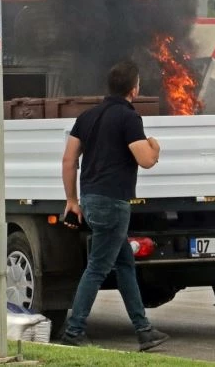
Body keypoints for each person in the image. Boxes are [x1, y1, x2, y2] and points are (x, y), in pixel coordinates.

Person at [59, 59, 169, 352]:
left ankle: (144, 330)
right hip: (113, 202)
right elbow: (146, 160)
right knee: (97, 268)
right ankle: (74, 331)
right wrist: (155, 146)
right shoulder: (128, 118)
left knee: (124, 264)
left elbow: (69, 160)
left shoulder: (87, 117)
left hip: (91, 199)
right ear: (134, 89)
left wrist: (72, 200)